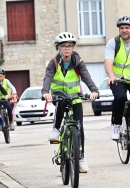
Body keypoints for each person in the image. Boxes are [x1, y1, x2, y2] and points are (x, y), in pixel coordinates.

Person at [42, 32, 99, 173]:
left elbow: (86, 77)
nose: (66, 48)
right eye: (63, 46)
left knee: (79, 127)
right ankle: (55, 129)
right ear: (58, 48)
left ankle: (80, 158)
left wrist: (94, 90)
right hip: (58, 96)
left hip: (75, 96)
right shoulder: (53, 63)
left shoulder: (78, 62)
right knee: (61, 103)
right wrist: (45, 93)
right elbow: (48, 78)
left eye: (69, 46)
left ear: (73, 47)